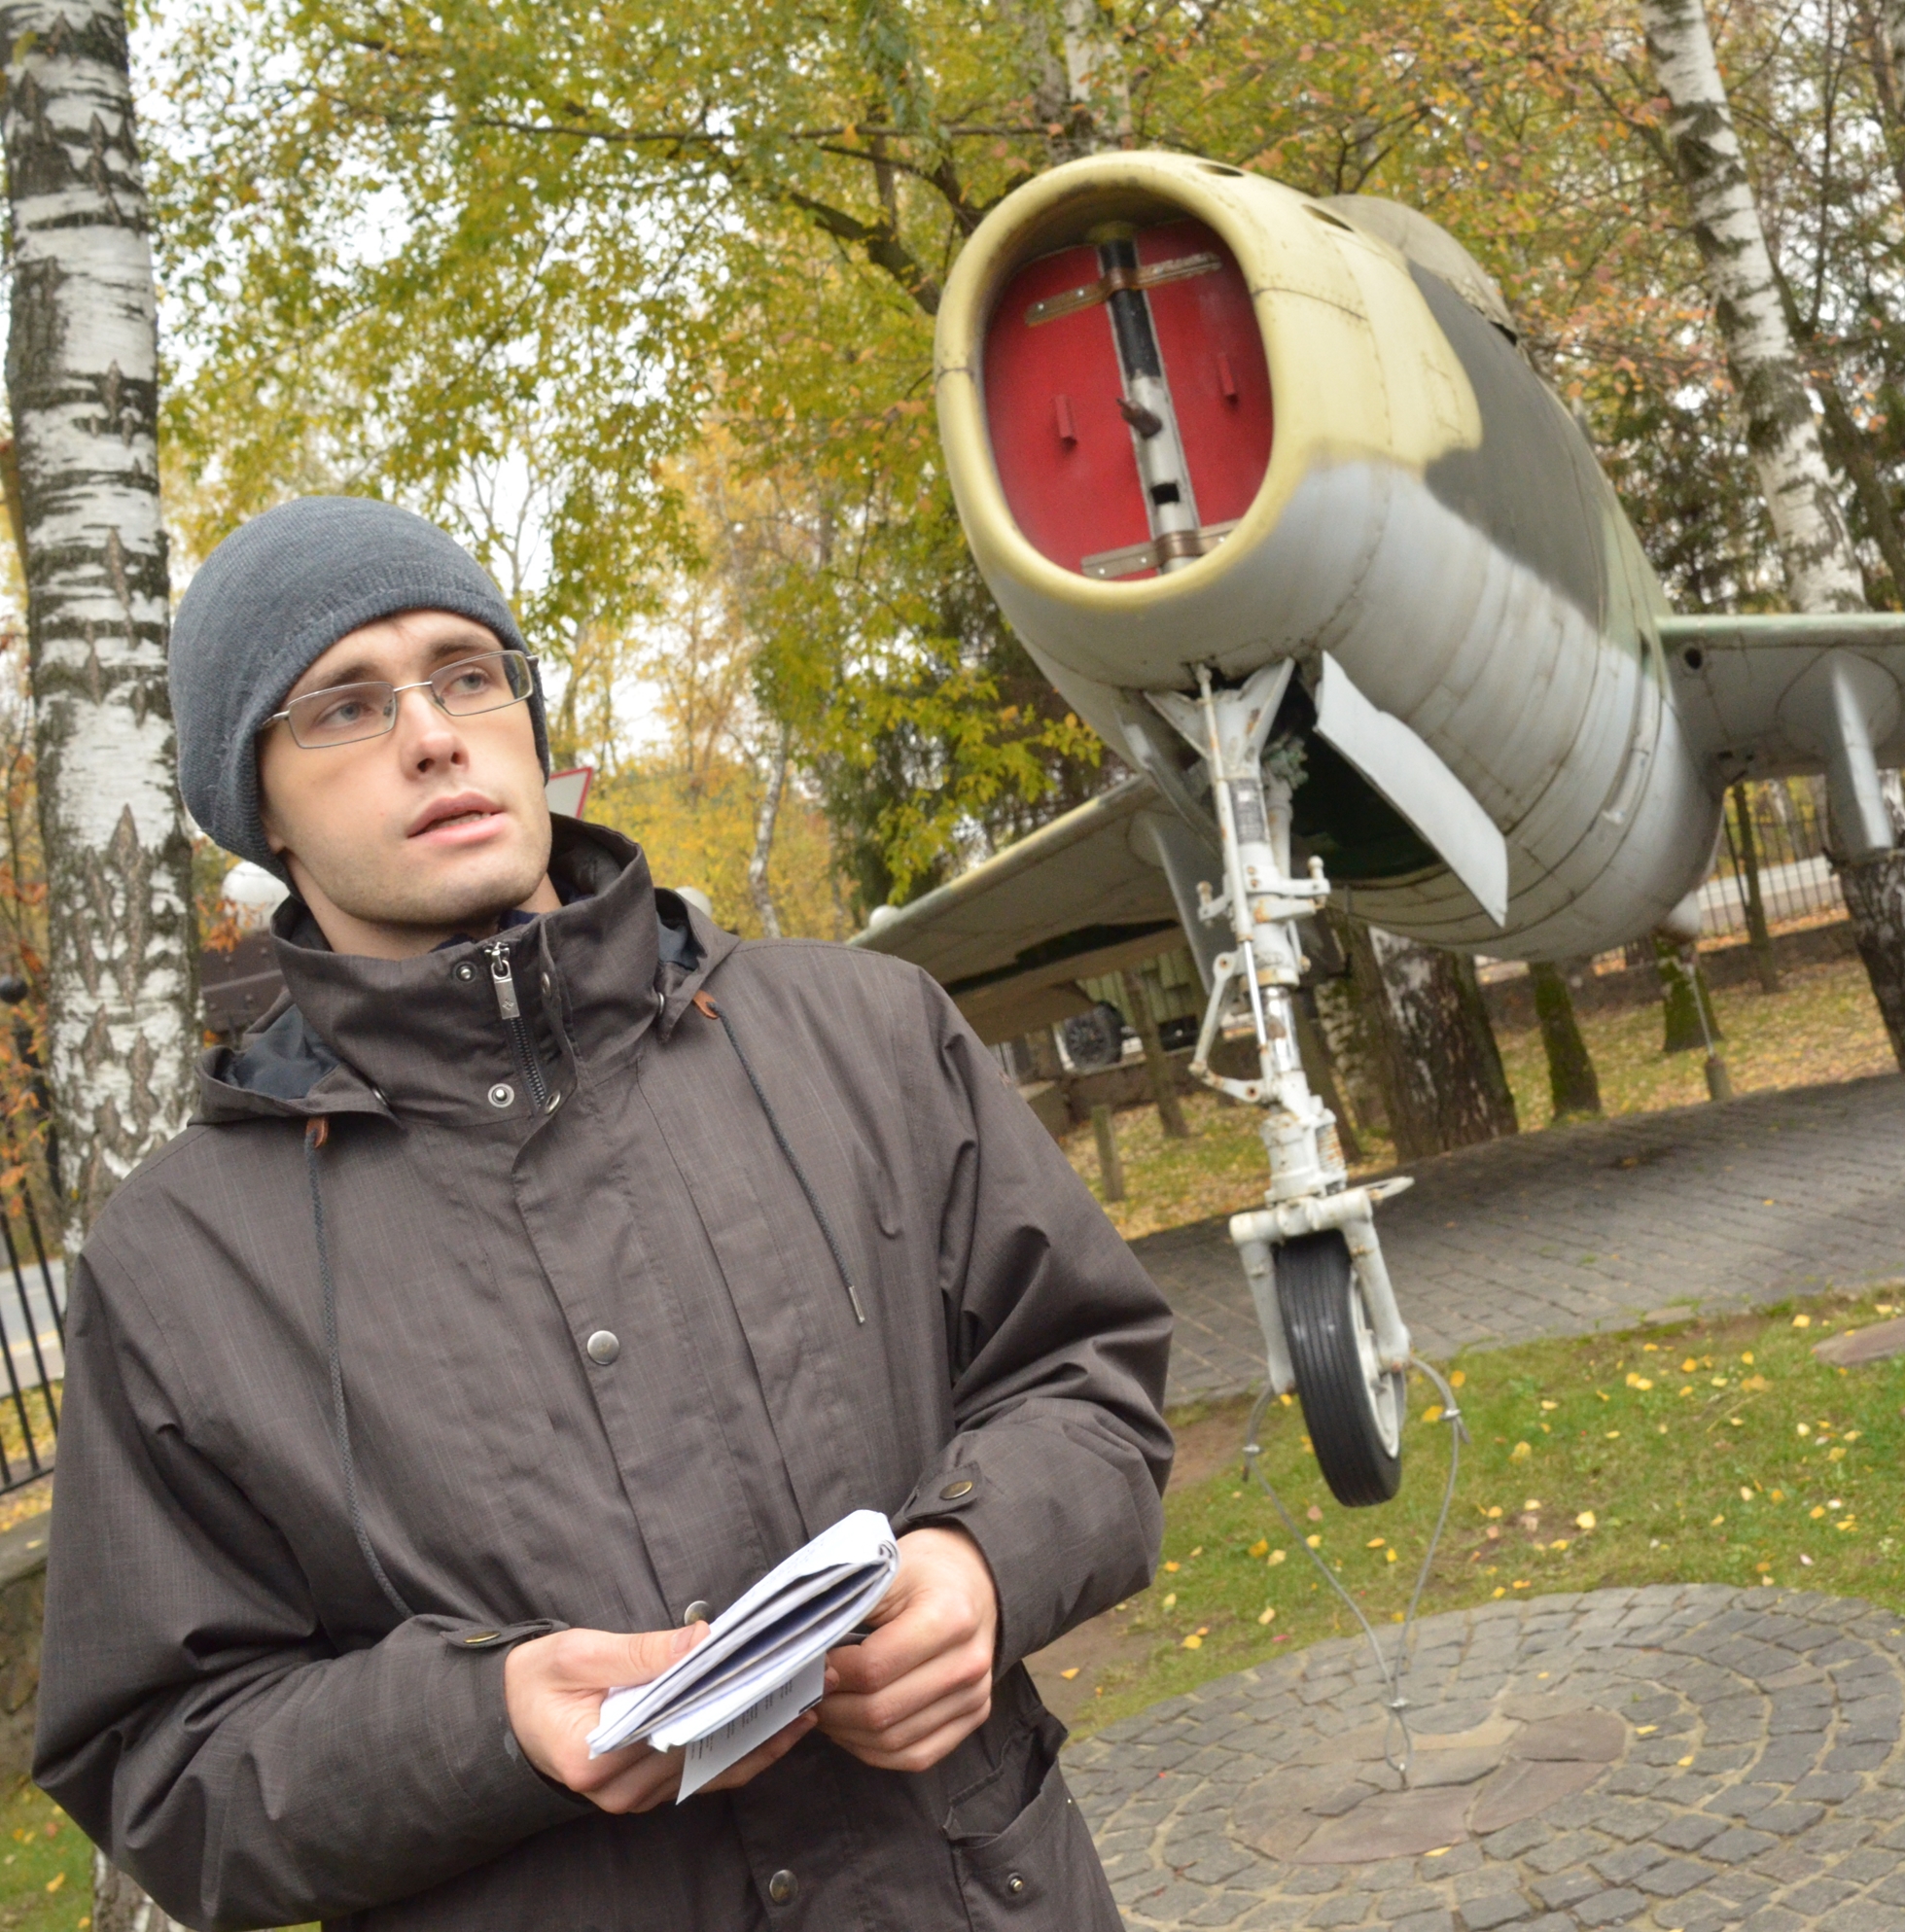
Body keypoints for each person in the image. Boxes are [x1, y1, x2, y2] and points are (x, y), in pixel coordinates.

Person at [34, 495, 1174, 1928]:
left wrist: (981, 1561)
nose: (433, 735)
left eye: (467, 674)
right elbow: (160, 1759)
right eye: (344, 707)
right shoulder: (179, 1264)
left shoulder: (868, 1035)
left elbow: (1091, 1378)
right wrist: (490, 1723)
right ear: (256, 805)